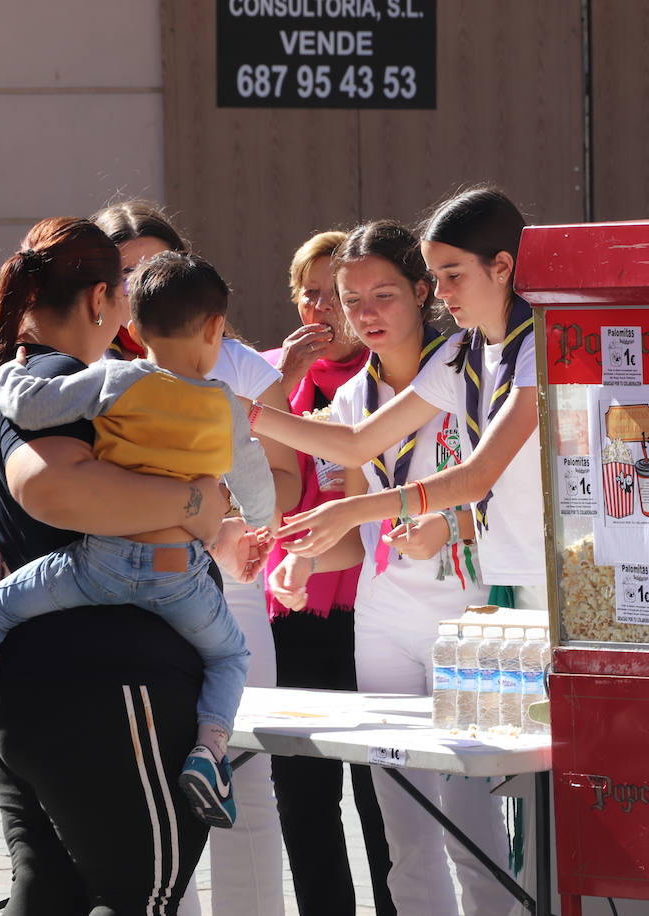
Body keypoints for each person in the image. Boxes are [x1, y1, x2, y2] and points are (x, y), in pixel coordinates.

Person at [0, 216, 269, 912]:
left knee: (50, 894)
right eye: (121, 295)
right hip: (110, 684)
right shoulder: (64, 377)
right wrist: (199, 503)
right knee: (143, 897)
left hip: (42, 680)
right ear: (99, 300)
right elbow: (54, 487)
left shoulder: (24, 376)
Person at [268, 220, 515, 915]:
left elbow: (517, 499)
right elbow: (359, 528)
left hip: (473, 620)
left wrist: (451, 522)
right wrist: (303, 562)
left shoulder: (467, 370)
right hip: (381, 623)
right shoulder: (351, 398)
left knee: (474, 826)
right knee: (403, 832)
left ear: (422, 291)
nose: (366, 315)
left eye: (384, 295)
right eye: (352, 301)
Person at [93, 199, 296, 916]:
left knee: (241, 771)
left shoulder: (238, 368)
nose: (142, 283)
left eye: (155, 266)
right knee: (135, 777)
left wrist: (230, 524)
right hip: (121, 589)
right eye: (126, 273)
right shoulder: (93, 375)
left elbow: (285, 478)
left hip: (229, 591)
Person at [255, 187, 547, 613]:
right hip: (510, 573)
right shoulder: (462, 351)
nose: (443, 292)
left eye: (454, 275)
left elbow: (476, 477)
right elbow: (357, 442)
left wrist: (354, 510)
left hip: (555, 569)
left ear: (502, 266)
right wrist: (249, 414)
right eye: (437, 276)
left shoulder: (540, 343)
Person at [260, 229, 396, 916]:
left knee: (382, 792)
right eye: (310, 293)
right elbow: (270, 491)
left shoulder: (388, 380)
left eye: (334, 295)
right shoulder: (270, 377)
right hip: (297, 611)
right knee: (305, 792)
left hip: (371, 609)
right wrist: (279, 385)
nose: (323, 309)